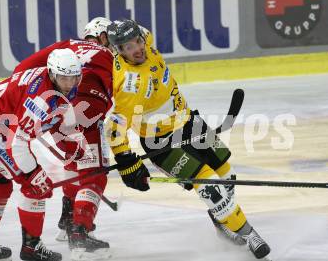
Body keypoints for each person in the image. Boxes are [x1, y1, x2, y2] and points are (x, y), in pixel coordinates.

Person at [104, 19, 272, 260]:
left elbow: (138, 33)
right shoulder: (129, 83)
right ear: (118, 51)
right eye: (127, 47)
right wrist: (125, 160)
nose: (136, 49)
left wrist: (117, 26)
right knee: (211, 186)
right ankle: (249, 233)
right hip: (161, 143)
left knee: (226, 172)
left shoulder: (147, 41)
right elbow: (116, 125)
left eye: (137, 42)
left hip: (189, 123)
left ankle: (223, 222)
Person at [0, 48, 84, 261]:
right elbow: (17, 144)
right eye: (63, 78)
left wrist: (72, 151)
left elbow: (50, 124)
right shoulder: (40, 100)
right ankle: (32, 248)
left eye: (73, 77)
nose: (69, 84)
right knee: (35, 187)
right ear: (51, 74)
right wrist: (33, 175)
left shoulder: (53, 85)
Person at [13, 18, 114, 260]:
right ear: (101, 37)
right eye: (109, 38)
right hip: (88, 109)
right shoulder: (111, 55)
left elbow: (23, 69)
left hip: (56, 108)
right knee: (95, 172)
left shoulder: (68, 46)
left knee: (74, 160)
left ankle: (67, 219)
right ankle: (79, 230)